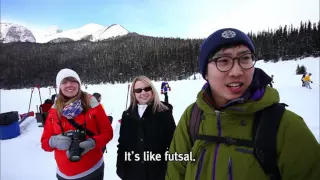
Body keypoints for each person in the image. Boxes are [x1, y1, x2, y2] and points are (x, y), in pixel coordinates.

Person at [165, 28, 320, 180]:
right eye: (223, 61)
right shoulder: (192, 116)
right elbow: (175, 172)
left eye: (245, 58)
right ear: (205, 72)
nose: (237, 71)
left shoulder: (286, 125)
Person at [40, 68, 113, 180]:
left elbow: (108, 133)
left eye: (73, 81)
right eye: (64, 82)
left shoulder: (93, 105)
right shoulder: (54, 111)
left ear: (79, 84)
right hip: (63, 174)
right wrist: (53, 142)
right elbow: (44, 143)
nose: (69, 85)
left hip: (93, 171)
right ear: (59, 86)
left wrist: (93, 142)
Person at [116, 75, 176, 180]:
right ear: (133, 93)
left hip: (158, 173)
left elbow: (173, 143)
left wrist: (170, 168)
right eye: (138, 90)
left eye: (147, 88)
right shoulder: (127, 115)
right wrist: (120, 167)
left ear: (152, 90)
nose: (143, 93)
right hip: (133, 173)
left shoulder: (164, 112)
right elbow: (123, 144)